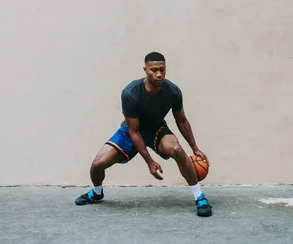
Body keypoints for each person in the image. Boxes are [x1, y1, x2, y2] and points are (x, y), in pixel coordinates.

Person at [74, 52, 213, 217]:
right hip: (130, 131)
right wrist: (149, 161)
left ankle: (199, 197)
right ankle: (97, 193)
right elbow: (134, 132)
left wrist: (195, 148)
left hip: (156, 129)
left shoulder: (173, 91)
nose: (159, 74)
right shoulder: (131, 93)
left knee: (177, 150)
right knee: (97, 164)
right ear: (145, 70)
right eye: (154, 70)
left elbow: (182, 121)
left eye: (162, 69)